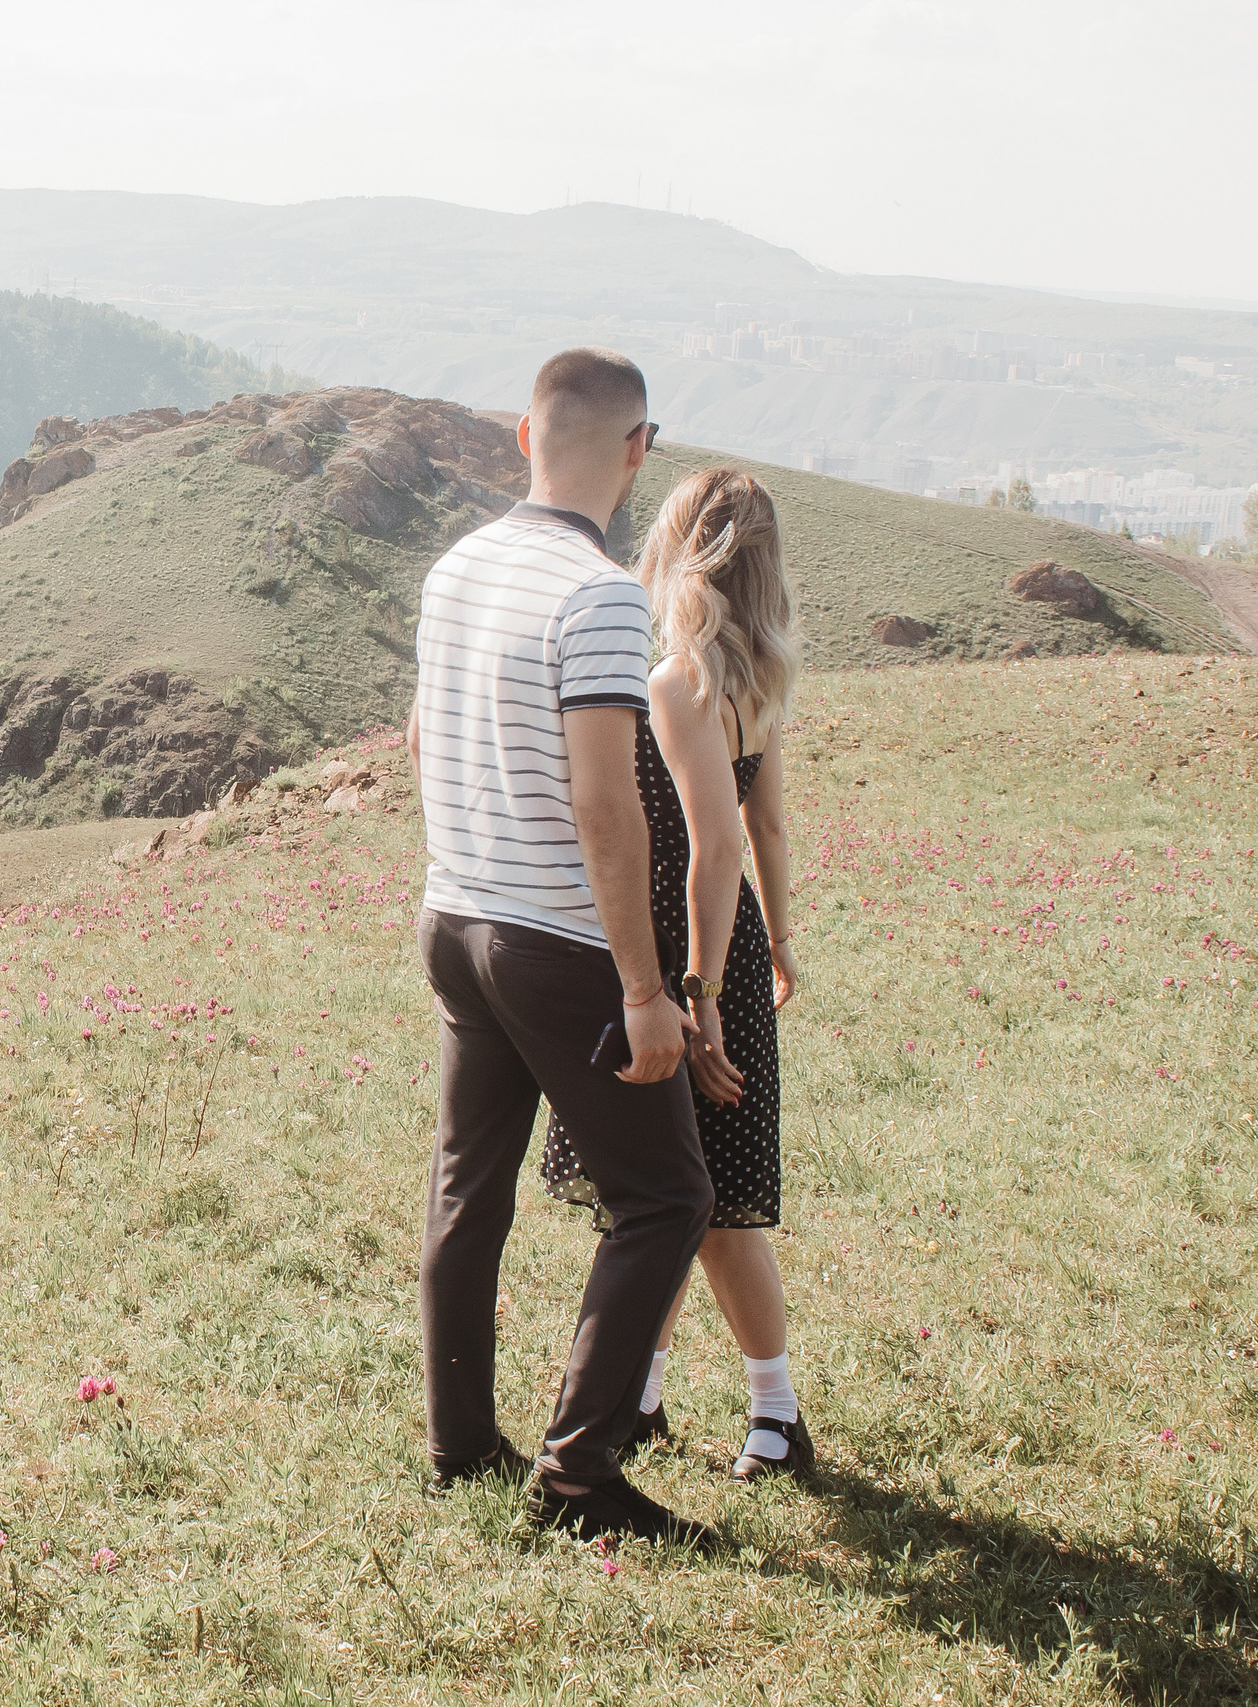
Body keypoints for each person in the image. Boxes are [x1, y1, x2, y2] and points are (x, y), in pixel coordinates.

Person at [406, 347, 717, 1549]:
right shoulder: (597, 598)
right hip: (552, 941)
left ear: (521, 437)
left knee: (465, 1188)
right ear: (638, 450)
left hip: (455, 918)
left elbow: (426, 738)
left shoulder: (455, 569)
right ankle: (578, 1476)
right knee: (665, 1194)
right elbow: (605, 808)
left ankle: (457, 1443)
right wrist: (645, 988)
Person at [541, 466, 810, 1481]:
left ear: (679, 553)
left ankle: (775, 1417)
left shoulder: (673, 681)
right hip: (728, 949)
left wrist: (694, 997)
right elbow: (770, 824)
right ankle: (644, 1396)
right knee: (675, 1195)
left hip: (680, 955)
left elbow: (716, 846)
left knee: (700, 1201)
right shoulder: (755, 679)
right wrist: (775, 945)